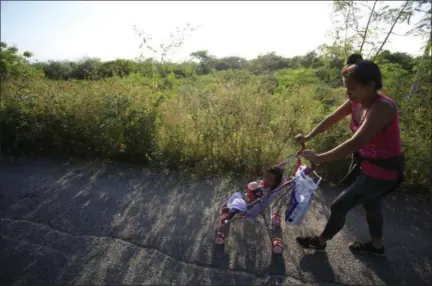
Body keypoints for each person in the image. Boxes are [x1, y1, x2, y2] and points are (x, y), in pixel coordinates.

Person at [294, 60, 404, 256]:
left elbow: (356, 142)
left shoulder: (383, 107)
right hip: (368, 167)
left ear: (370, 85)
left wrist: (320, 158)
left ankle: (320, 241)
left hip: (383, 172)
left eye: (352, 88)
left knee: (339, 206)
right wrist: (309, 136)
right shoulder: (356, 102)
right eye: (346, 88)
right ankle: (377, 246)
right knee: (371, 204)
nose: (348, 93)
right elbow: (331, 118)